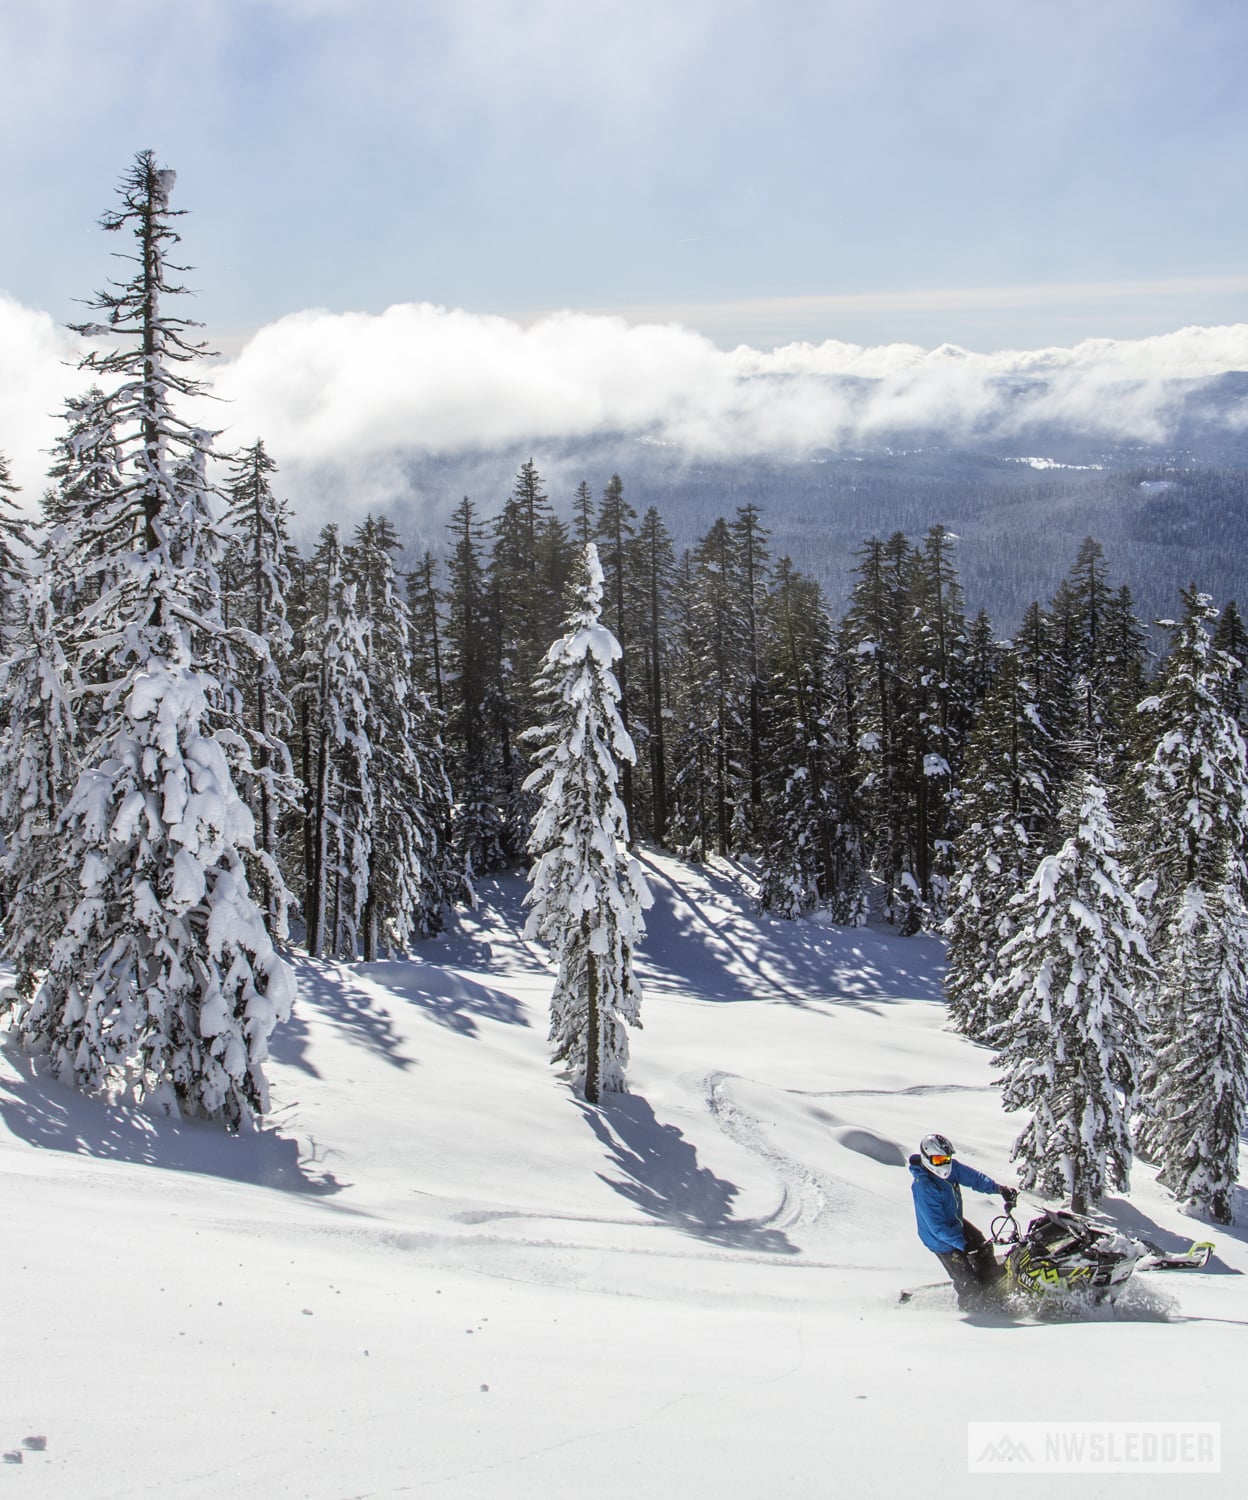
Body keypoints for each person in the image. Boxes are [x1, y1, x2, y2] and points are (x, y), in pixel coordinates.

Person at [909, 1132, 1017, 1310]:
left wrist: (999, 1189)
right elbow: (937, 1227)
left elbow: (973, 1178)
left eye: (946, 1159)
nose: (943, 1164)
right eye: (938, 1160)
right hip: (939, 1239)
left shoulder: (950, 1169)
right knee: (968, 1282)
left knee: (982, 1246)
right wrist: (962, 1245)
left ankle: (992, 1284)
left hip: (954, 1221)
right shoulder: (924, 1186)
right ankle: (973, 1309)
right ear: (927, 1159)